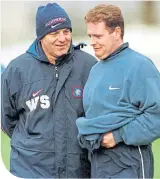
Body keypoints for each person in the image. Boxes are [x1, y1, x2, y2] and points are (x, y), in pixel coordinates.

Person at [1, 3, 97, 178]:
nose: (62, 38)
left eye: (66, 32)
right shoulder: (17, 69)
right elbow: (7, 120)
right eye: (54, 33)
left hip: (78, 170)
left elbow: (98, 116)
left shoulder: (88, 65)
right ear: (41, 36)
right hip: (30, 170)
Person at [76, 4, 160, 178]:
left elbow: (156, 115)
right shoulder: (95, 70)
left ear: (116, 32)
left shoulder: (140, 66)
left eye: (98, 35)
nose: (92, 42)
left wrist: (118, 135)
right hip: (98, 162)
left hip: (129, 162)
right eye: (90, 36)